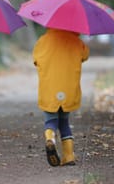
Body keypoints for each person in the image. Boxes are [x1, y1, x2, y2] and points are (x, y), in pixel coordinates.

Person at [32, 28, 89, 166]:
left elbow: (36, 60)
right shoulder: (77, 42)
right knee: (64, 122)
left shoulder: (43, 41)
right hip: (68, 88)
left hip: (49, 88)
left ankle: (50, 138)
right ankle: (69, 156)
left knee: (51, 119)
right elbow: (85, 56)